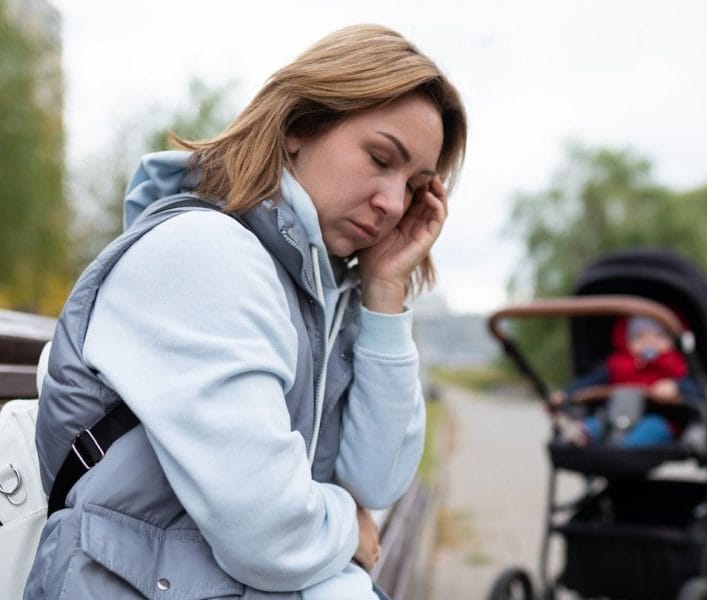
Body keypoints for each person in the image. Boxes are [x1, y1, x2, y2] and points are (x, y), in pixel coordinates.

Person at [24, 24, 466, 600]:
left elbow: (375, 481)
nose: (391, 202)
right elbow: (270, 533)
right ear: (298, 127)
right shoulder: (206, 254)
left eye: (414, 185)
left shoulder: (321, 292)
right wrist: (345, 526)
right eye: (380, 158)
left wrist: (385, 293)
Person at [550, 315, 701, 448]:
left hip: (659, 418)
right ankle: (581, 436)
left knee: (652, 427)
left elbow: (697, 389)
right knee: (598, 421)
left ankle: (623, 449)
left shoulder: (676, 364)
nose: (649, 341)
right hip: (615, 416)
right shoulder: (617, 364)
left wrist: (676, 386)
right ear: (626, 340)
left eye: (659, 335)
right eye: (639, 336)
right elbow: (588, 382)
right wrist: (566, 394)